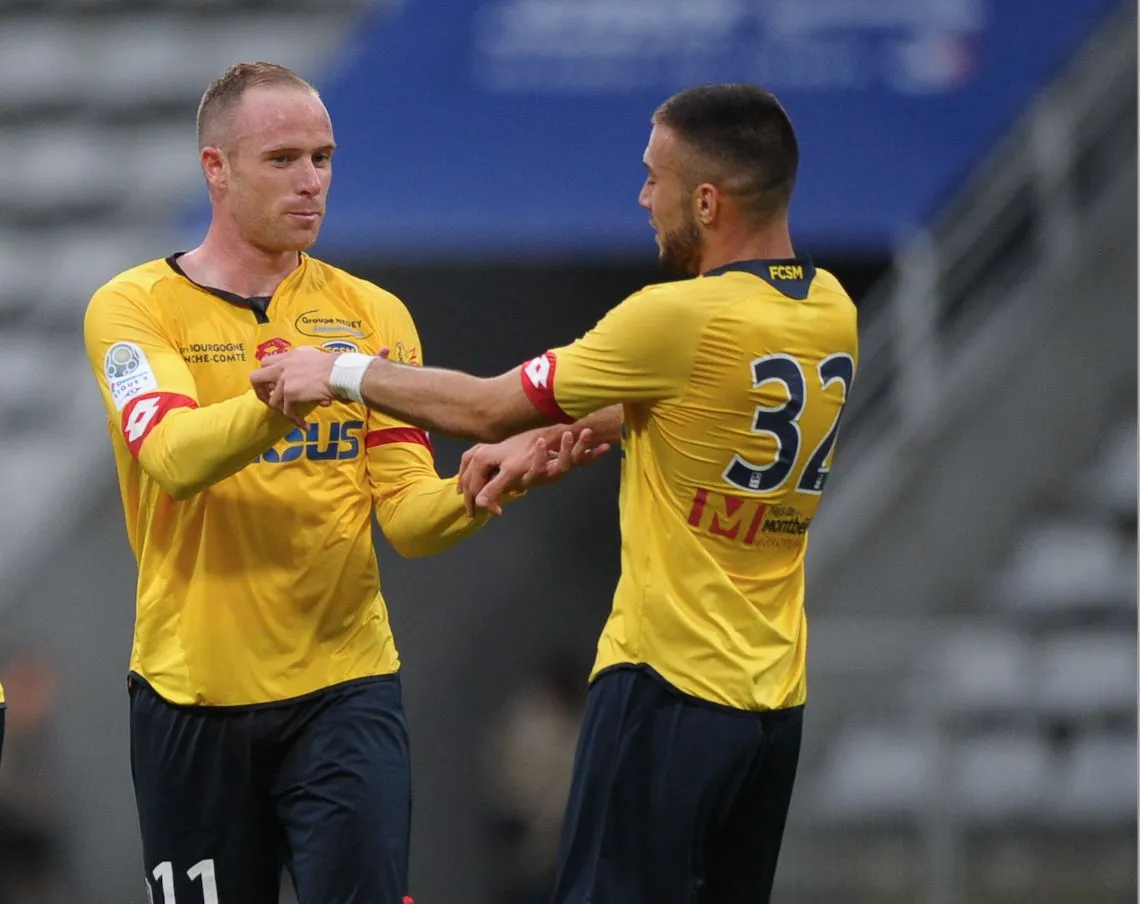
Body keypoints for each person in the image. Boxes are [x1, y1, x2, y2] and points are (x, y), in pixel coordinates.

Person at [253, 82, 859, 903]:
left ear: (708, 202)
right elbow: (711, 402)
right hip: (772, 704)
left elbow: (481, 405)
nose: (644, 197)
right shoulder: (827, 307)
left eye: (656, 178)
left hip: (667, 684)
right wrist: (569, 432)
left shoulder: (675, 317)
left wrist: (339, 369)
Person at [82, 62, 602, 904]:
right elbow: (174, 457)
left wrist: (485, 484)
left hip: (344, 688)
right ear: (216, 169)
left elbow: (405, 517)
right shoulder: (135, 307)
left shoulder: (371, 315)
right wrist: (292, 396)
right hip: (193, 696)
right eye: (283, 159)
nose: (311, 182)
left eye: (324, 157)